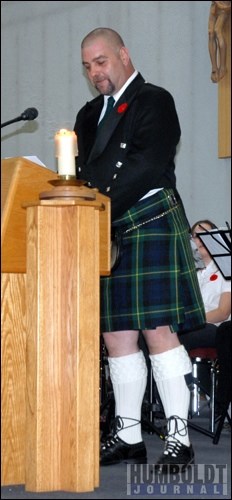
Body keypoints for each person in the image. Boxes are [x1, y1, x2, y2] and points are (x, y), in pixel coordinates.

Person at [74, 27, 205, 473]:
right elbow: (83, 171)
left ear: (123, 55)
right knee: (115, 336)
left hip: (148, 220)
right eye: (88, 66)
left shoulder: (154, 100)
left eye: (101, 61)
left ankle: (178, 438)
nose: (95, 72)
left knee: (157, 331)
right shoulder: (88, 114)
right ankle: (128, 435)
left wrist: (98, 202)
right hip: (111, 232)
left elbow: (147, 163)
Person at [179, 220, 231, 413]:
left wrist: (192, 320)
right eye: (195, 235)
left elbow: (222, 312)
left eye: (205, 235)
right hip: (194, 326)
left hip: (217, 328)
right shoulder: (193, 273)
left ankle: (185, 397)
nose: (199, 240)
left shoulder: (226, 270)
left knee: (176, 340)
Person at [208, 1, 231, 83]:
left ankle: (222, 67)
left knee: (217, 30)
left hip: (224, 6)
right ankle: (214, 67)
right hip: (214, 6)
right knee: (211, 33)